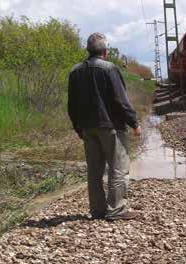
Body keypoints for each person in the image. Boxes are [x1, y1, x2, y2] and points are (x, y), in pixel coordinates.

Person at [67, 33, 141, 221]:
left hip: (87, 128)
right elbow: (120, 100)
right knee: (118, 168)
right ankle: (116, 210)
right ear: (105, 52)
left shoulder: (75, 71)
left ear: (88, 50)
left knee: (94, 171)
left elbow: (72, 105)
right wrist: (134, 123)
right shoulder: (109, 69)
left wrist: (77, 127)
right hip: (110, 127)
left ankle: (97, 210)